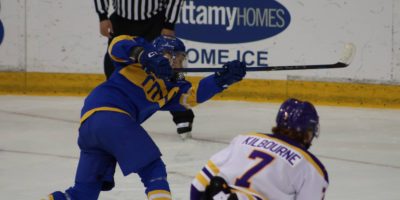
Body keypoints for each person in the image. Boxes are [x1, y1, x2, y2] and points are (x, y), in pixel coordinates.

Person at [46, 35, 246, 200]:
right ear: (163, 55)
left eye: (181, 58)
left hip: (92, 125)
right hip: (111, 115)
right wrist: (143, 55)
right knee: (153, 168)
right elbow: (116, 45)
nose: (178, 63)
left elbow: (192, 96)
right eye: (174, 57)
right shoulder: (136, 62)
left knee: (82, 195)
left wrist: (222, 80)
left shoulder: (173, 87)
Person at [94, 0, 195, 139]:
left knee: (171, 65)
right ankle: (115, 115)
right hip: (120, 22)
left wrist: (169, 24)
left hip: (155, 23)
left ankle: (182, 114)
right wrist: (102, 16)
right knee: (113, 68)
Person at [191, 98, 329, 200]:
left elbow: (199, 183)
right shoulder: (311, 167)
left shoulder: (244, 140)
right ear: (309, 132)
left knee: (216, 187)